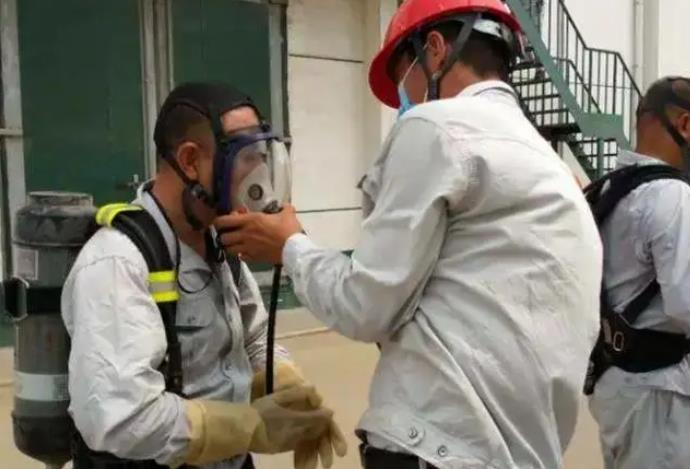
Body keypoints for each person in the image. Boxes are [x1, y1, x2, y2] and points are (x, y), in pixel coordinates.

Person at [215, 1, 602, 468]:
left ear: (435, 49)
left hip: (439, 445)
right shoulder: (548, 164)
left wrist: (290, 245)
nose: (406, 100)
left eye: (404, 78)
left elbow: (364, 306)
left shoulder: (436, 127)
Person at [62, 82, 346, 469]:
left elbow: (253, 337)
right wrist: (249, 427)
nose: (260, 174)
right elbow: (120, 417)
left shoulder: (219, 241)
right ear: (191, 160)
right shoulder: (117, 261)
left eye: (262, 156)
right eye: (246, 157)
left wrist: (286, 385)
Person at [587, 77, 690, 469]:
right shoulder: (672, 194)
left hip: (618, 385)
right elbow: (686, 303)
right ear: (684, 125)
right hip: (661, 393)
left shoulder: (609, 189)